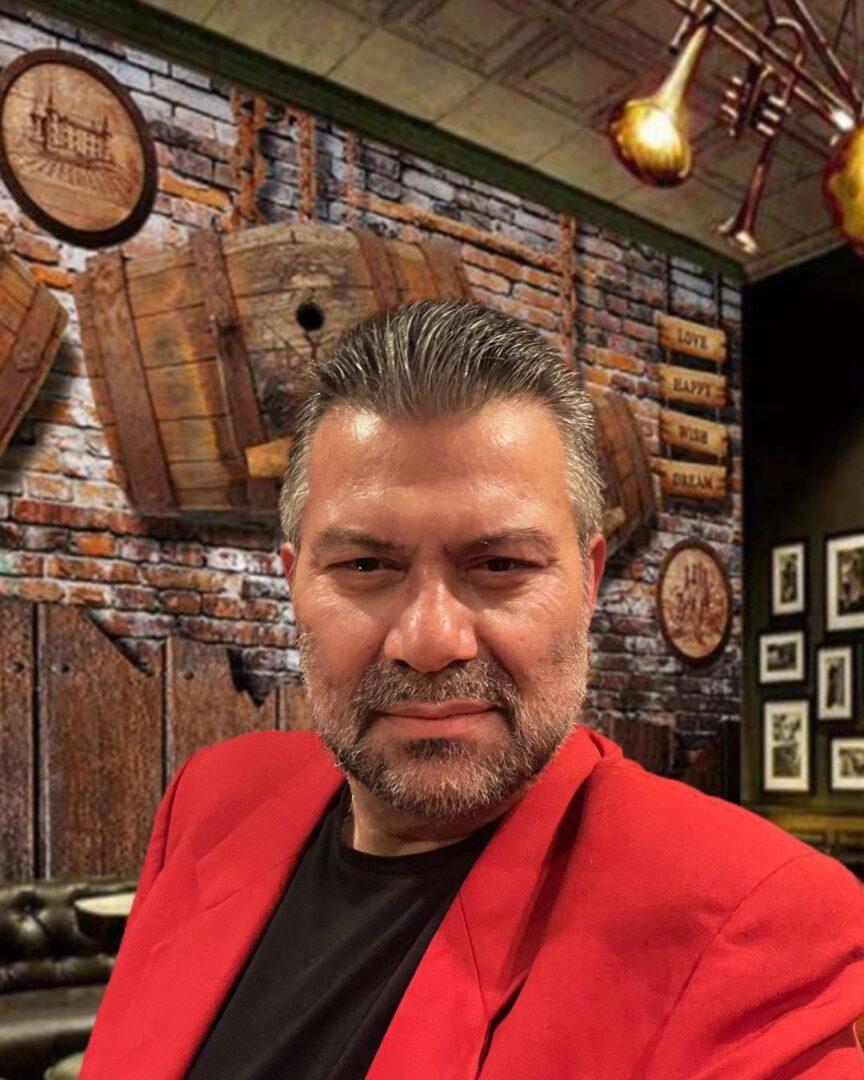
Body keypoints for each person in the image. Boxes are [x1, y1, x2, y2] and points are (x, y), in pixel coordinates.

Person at [80, 299, 864, 1079]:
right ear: (294, 583)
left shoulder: (757, 924)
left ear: (588, 583)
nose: (430, 642)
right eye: (365, 566)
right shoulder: (210, 800)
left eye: (499, 565)